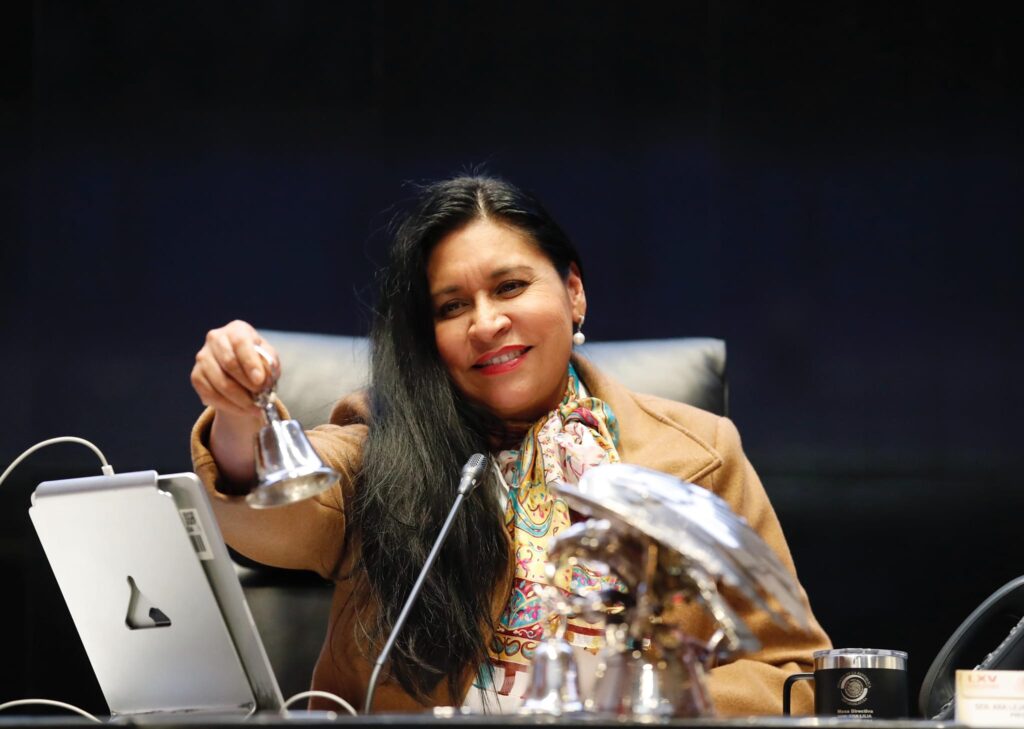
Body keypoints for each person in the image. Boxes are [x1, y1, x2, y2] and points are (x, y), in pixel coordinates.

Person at [189, 175, 831, 715]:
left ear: (573, 292)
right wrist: (240, 416)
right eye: (451, 307)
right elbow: (274, 508)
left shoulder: (698, 454)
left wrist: (644, 700)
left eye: (510, 287)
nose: (486, 323)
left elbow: (793, 674)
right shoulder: (384, 448)